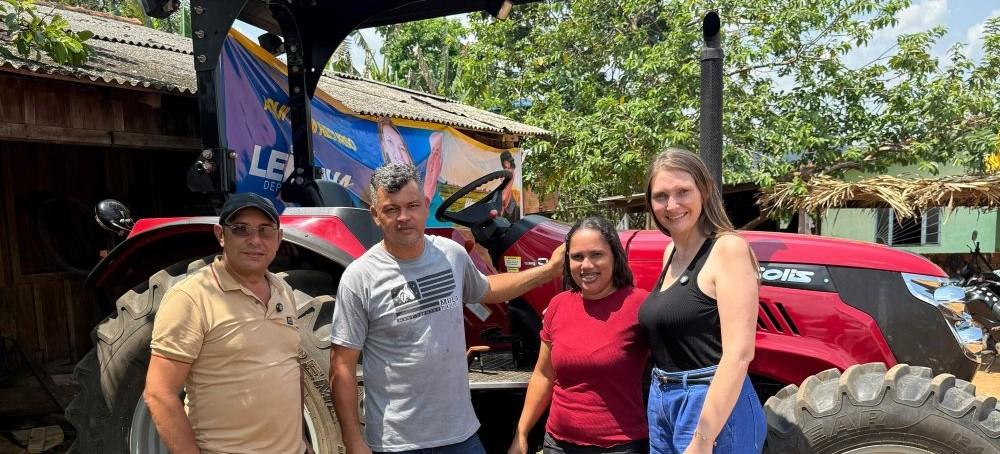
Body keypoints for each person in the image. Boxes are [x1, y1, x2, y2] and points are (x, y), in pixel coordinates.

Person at [329, 163, 565, 454]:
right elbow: (342, 365)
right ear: (376, 216)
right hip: (398, 442)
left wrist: (549, 271)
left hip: (460, 434)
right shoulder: (359, 277)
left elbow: (487, 289)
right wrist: (353, 440)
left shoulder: (451, 254)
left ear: (426, 206)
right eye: (391, 209)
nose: (404, 217)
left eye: (412, 205)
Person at [144, 193, 311, 454]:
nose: (255, 240)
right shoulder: (191, 297)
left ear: (278, 239)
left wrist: (301, 442)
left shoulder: (283, 290)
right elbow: (158, 393)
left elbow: (291, 368)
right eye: (241, 230)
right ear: (221, 235)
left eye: (265, 231)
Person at [638, 149, 765, 454]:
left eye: (683, 192)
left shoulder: (728, 250)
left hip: (710, 405)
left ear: (705, 191)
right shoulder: (671, 254)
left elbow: (739, 353)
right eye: (661, 196)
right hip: (663, 398)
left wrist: (704, 436)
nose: (672, 205)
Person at [509, 216, 650, 454]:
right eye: (577, 257)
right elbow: (544, 375)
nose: (586, 265)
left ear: (615, 256)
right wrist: (521, 433)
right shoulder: (558, 305)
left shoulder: (640, 304)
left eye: (596, 254)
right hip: (558, 444)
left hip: (621, 446)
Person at [499, 150, 521, 221]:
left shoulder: (509, 172)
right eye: (504, 162)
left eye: (506, 161)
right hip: (510, 201)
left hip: (508, 201)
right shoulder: (511, 171)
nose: (505, 164)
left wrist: (503, 202)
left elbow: (506, 189)